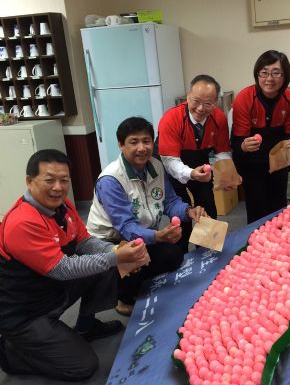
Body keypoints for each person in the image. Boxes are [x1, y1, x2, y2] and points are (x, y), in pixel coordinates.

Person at [0, 149, 148, 381]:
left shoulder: (65, 207)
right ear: (29, 181)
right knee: (83, 367)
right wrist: (117, 257)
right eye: (49, 180)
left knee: (105, 265)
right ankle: (11, 353)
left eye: (64, 180)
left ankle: (86, 327)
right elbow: (62, 269)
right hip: (25, 312)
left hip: (51, 290)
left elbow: (85, 242)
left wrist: (116, 252)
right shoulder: (22, 222)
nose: (58, 187)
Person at [87, 117, 206, 316]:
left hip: (141, 234)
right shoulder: (111, 179)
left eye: (146, 141)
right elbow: (125, 227)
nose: (142, 148)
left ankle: (137, 280)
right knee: (134, 259)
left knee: (173, 255)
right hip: (109, 240)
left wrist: (189, 211)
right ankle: (122, 297)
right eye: (134, 142)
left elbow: (170, 202)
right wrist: (157, 237)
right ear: (121, 144)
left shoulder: (156, 166)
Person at [157, 75, 232, 248]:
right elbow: (170, 161)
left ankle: (208, 253)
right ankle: (180, 256)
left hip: (200, 163)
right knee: (181, 214)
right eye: (196, 101)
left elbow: (222, 151)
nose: (200, 108)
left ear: (215, 102)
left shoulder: (219, 118)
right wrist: (191, 174)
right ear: (188, 96)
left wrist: (226, 175)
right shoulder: (171, 118)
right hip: (171, 165)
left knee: (208, 210)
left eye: (208, 103)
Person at [231, 50, 290, 224]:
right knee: (257, 209)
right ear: (257, 74)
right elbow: (237, 142)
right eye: (264, 72)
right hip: (252, 162)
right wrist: (244, 146)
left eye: (276, 73)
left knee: (279, 207)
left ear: (285, 76)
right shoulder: (244, 98)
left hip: (279, 161)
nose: (269, 78)